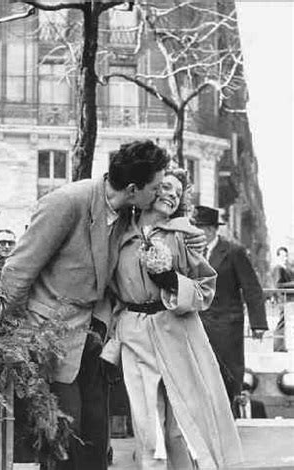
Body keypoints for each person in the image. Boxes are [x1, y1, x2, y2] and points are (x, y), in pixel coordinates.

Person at [2, 140, 204, 470]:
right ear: (134, 188)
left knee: (96, 441)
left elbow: (160, 228)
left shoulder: (128, 212)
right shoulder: (67, 202)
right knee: (64, 438)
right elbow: (17, 271)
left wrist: (191, 236)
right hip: (48, 336)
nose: (157, 194)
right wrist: (14, 340)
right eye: (155, 188)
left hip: (91, 339)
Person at [102, 169, 242, 469]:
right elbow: (109, 289)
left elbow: (205, 288)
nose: (170, 195)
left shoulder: (184, 235)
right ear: (146, 190)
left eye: (177, 193)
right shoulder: (118, 235)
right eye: (165, 187)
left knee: (181, 427)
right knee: (148, 426)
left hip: (176, 332)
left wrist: (171, 281)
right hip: (135, 336)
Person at [194, 205, 268, 407]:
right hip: (198, 322)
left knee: (228, 371)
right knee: (200, 372)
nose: (194, 232)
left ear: (210, 230)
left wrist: (258, 323)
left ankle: (230, 415)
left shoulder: (234, 251)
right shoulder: (191, 252)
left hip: (226, 324)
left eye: (198, 228)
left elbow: (251, 287)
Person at [272, 246, 294, 352]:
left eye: (286, 256)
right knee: (281, 321)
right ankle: (278, 346)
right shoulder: (278, 268)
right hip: (282, 299)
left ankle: (281, 345)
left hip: (287, 299)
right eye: (282, 256)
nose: (285, 258)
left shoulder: (286, 269)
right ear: (278, 257)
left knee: (285, 321)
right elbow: (279, 284)